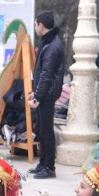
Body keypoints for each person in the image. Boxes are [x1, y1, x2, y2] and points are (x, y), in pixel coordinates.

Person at [28, 12, 65, 179]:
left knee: (47, 131)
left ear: (41, 25)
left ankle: (49, 167)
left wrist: (38, 96)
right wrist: (36, 93)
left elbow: (46, 74)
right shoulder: (47, 42)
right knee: (41, 130)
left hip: (48, 94)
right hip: (45, 93)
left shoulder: (52, 46)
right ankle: (42, 163)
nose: (35, 28)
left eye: (36, 24)